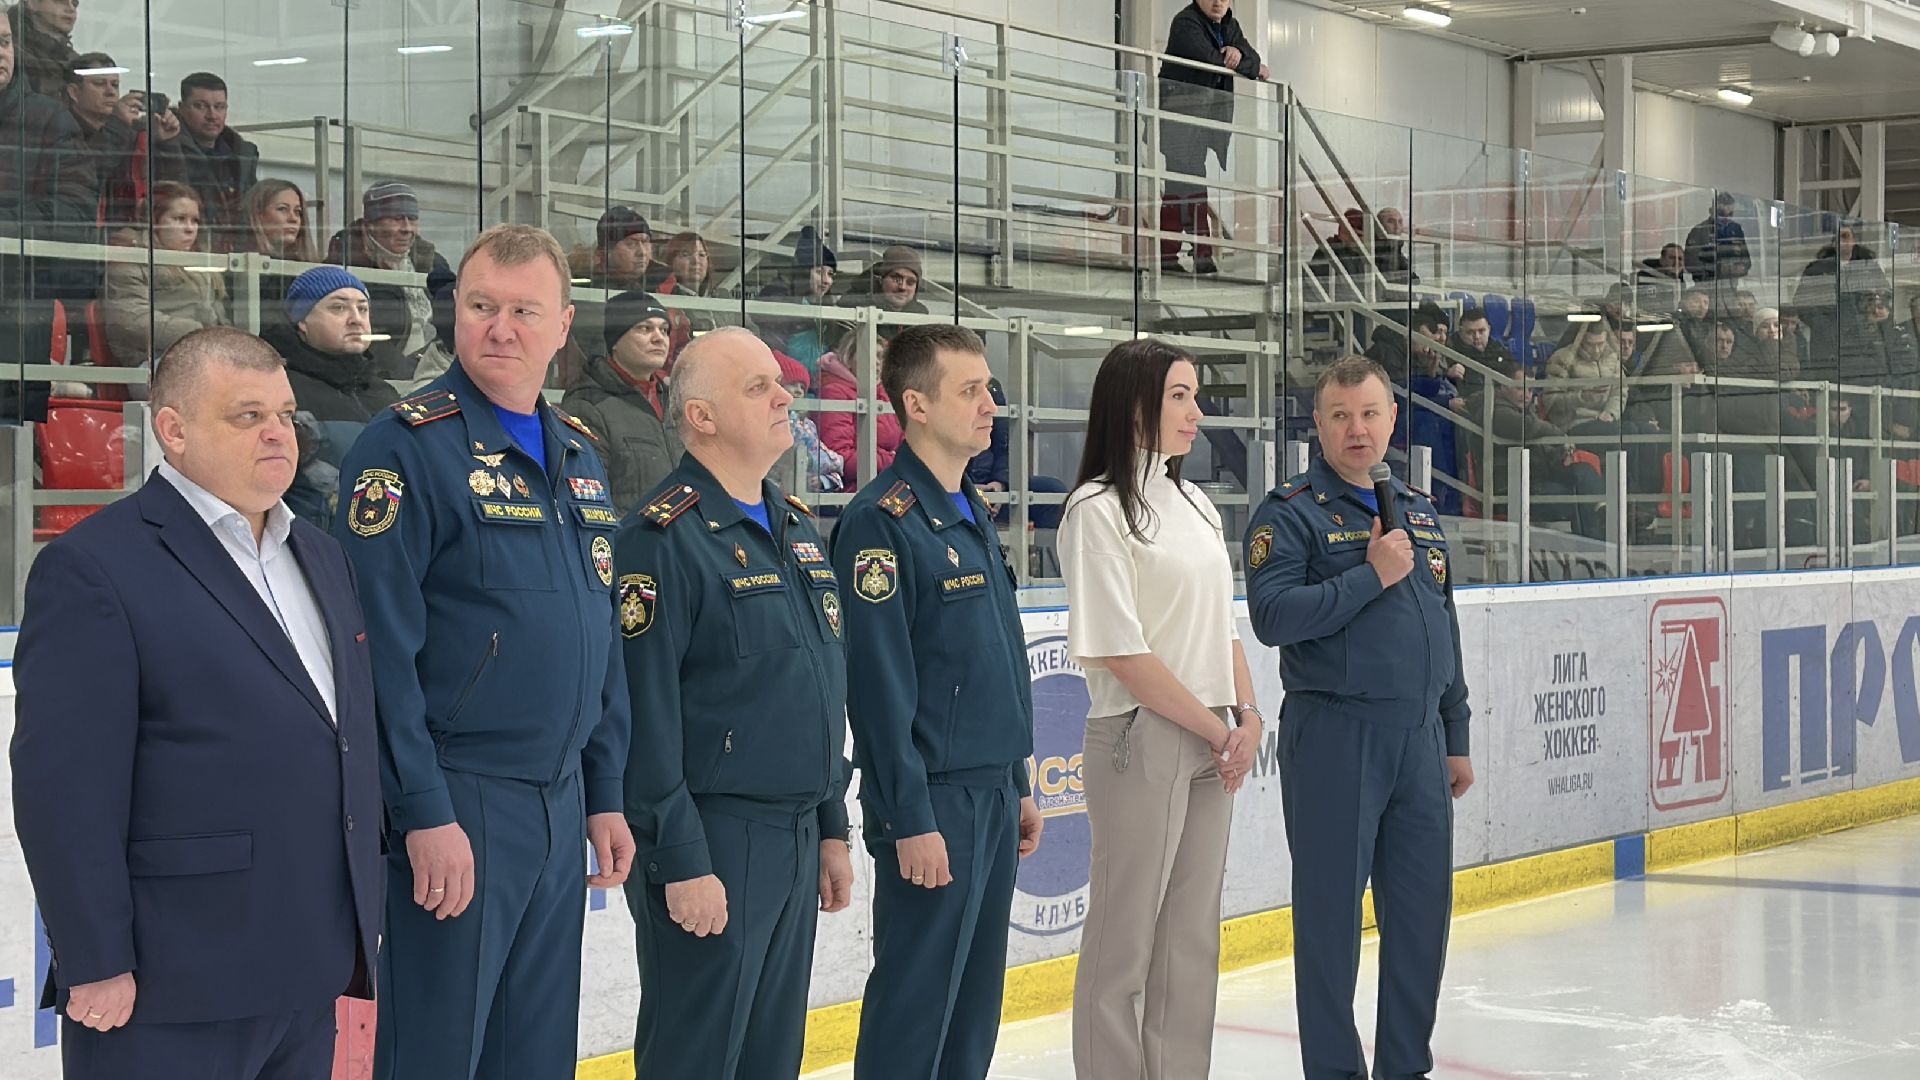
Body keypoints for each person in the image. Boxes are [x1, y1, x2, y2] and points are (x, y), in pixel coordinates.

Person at [12, 326, 381, 1080]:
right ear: (172, 430)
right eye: (248, 416)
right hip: (170, 981)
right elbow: (65, 790)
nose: (278, 432)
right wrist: (94, 959)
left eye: (285, 414)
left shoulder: (321, 554)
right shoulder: (93, 569)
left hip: (306, 969)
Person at [335, 224, 635, 1080]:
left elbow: (599, 630)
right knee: (435, 1055)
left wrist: (605, 789)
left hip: (558, 801)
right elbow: (374, 652)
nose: (498, 328)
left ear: (562, 324)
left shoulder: (578, 454)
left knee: (534, 1057)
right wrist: (423, 807)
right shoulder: (405, 447)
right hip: (460, 803)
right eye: (479, 307)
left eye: (521, 311)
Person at [615, 326, 855, 1080]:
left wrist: (830, 824)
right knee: (699, 1055)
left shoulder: (793, 527)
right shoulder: (661, 540)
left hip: (792, 834)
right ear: (703, 417)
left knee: (769, 1058)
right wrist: (680, 856)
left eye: (780, 383)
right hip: (713, 839)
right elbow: (641, 715)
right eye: (759, 387)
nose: (787, 396)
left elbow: (813, 686)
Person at [1243, 354, 1473, 1080]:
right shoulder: (1291, 512)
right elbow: (1274, 616)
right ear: (1318, 424)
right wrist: (1369, 574)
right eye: (1340, 416)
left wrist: (1455, 731)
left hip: (1420, 743)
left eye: (1370, 413)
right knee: (1330, 929)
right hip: (1336, 736)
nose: (1357, 429)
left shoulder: (1420, 512)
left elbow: (1445, 627)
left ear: (1393, 419)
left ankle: (1405, 1069)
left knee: (1419, 923)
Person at [830, 324, 1044, 1079]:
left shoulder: (968, 509)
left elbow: (994, 659)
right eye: (972, 390)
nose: (992, 404)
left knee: (973, 1011)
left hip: (988, 791)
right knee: (916, 1009)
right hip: (934, 803)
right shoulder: (878, 523)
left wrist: (1016, 781)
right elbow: (879, 691)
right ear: (915, 405)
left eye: (989, 387)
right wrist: (910, 815)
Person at [1059, 338, 1259, 1079]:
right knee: (1125, 943)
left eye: (1195, 395)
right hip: (1142, 738)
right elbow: (1121, 650)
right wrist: (1216, 728)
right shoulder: (1096, 510)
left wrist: (1247, 715)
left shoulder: (1195, 501)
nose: (1196, 412)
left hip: (1213, 735)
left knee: (1189, 941)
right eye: (1180, 395)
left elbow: (1221, 624)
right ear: (1134, 402)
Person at [263, 267, 398, 527]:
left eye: (363, 308)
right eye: (338, 308)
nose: (355, 319)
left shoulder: (384, 392)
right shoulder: (281, 390)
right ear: (302, 321)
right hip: (312, 545)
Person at [1157, 0, 1264, 274]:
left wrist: (1239, 53)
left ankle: (1186, 254)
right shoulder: (1186, 23)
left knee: (1188, 185)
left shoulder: (1229, 24)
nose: (1218, 2)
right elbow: (1211, 60)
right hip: (1179, 118)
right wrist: (1240, 60)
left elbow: (1254, 59)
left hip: (1201, 120)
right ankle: (1185, 255)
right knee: (1183, 186)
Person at [560, 289, 683, 516]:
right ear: (615, 341)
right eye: (644, 328)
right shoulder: (588, 405)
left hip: (682, 544)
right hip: (631, 546)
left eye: (664, 330)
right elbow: (588, 503)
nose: (659, 337)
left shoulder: (675, 402)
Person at [1454, 355, 1603, 538]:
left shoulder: (1525, 411)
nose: (1526, 394)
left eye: (1531, 390)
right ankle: (1595, 538)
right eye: (1520, 388)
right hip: (1511, 487)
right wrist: (1558, 435)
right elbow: (1525, 427)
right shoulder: (1490, 408)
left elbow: (1536, 438)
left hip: (1536, 478)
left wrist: (1560, 450)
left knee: (1583, 470)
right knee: (1577, 498)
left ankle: (1601, 510)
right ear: (1502, 386)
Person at [326, 180, 454, 381]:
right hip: (381, 377)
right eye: (396, 219)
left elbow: (452, 319)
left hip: (435, 369)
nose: (407, 228)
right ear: (370, 224)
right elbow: (360, 333)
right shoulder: (345, 264)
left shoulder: (433, 262)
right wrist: (406, 372)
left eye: (412, 219)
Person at [104, 180, 231, 366]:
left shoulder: (201, 264)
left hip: (202, 354)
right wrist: (199, 334)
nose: (190, 228)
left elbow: (217, 317)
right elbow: (131, 320)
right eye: (179, 219)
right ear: (154, 222)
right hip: (149, 363)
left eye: (195, 221)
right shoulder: (130, 255)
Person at [154, 72, 259, 252]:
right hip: (186, 249)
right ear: (181, 108)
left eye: (219, 107)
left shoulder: (243, 155)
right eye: (201, 106)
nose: (212, 115)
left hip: (236, 254)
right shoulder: (163, 143)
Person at [817, 326, 904, 486]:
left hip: (890, 483)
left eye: (880, 356)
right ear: (848, 360)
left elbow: (907, 447)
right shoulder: (835, 392)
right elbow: (839, 457)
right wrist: (895, 460)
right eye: (868, 355)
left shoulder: (886, 393)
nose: (876, 362)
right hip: (855, 489)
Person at [755, 224, 839, 378]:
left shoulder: (831, 311)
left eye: (831, 274)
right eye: (819, 272)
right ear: (803, 272)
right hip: (787, 382)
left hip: (819, 385)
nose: (826, 281)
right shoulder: (780, 302)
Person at [243, 179, 319, 310]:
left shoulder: (308, 272)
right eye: (282, 209)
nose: (293, 218)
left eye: (298, 212)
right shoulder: (243, 268)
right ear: (258, 215)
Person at [774, 352, 843, 494]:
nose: (799, 391)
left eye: (802, 387)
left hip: (803, 497)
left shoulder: (806, 426)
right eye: (793, 384)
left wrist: (822, 480)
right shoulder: (767, 423)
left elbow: (834, 462)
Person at [7, 0, 75, 96]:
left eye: (75, 3)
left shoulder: (73, 59)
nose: (71, 9)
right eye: (60, 1)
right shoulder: (11, 51)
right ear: (32, 3)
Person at [840, 244, 929, 315]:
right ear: (880, 279)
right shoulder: (855, 310)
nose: (902, 287)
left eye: (910, 282)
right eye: (897, 279)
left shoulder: (920, 315)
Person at [1683, 191, 1750, 283]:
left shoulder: (1736, 230)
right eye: (1721, 214)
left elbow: (1747, 262)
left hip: (1731, 286)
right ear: (1711, 210)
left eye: (1730, 214)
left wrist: (1740, 268)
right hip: (1706, 286)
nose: (1726, 218)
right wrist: (1718, 269)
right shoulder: (1699, 231)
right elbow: (1691, 264)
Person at [1373, 207, 1418, 286]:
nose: (1397, 227)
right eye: (1391, 222)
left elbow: (1414, 279)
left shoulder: (1397, 253)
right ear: (1379, 226)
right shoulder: (1374, 253)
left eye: (1400, 222)